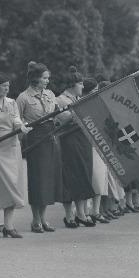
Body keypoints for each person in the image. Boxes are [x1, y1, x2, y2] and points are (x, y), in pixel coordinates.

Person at [0, 71, 32, 239]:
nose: (6, 89)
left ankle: (9, 226)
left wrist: (21, 127)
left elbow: (16, 120)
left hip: (11, 149)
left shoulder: (11, 103)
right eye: (3, 87)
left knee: (12, 186)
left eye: (8, 86)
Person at [16, 61, 62, 233]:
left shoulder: (50, 94)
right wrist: (23, 129)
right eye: (44, 78)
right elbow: (17, 120)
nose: (47, 81)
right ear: (35, 78)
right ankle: (35, 220)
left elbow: (57, 112)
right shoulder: (23, 97)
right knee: (38, 179)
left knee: (48, 179)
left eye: (47, 78)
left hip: (50, 137)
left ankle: (44, 218)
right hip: (35, 140)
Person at [56, 66, 96, 227]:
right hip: (69, 141)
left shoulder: (79, 100)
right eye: (80, 84)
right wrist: (78, 113)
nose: (82, 87)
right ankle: (69, 215)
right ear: (73, 85)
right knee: (70, 177)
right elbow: (63, 118)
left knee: (83, 175)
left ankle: (81, 213)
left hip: (83, 140)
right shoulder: (61, 100)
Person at [82, 77, 111, 223]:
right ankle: (84, 211)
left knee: (100, 178)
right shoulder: (80, 105)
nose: (96, 93)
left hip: (99, 144)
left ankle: (96, 211)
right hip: (86, 144)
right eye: (93, 91)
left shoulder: (98, 104)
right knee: (88, 178)